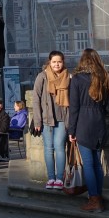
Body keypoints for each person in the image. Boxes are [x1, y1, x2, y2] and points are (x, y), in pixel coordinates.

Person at [67, 48, 109, 213]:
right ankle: (97, 197)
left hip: (83, 123)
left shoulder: (77, 79)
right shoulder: (104, 78)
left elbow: (74, 107)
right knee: (97, 164)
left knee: (88, 164)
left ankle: (94, 199)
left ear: (82, 61)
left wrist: (71, 130)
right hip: (99, 122)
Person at [32, 50, 70, 190]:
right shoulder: (42, 77)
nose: (56, 64)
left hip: (62, 118)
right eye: (54, 62)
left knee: (60, 147)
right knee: (48, 149)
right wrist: (37, 121)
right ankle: (51, 178)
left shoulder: (68, 77)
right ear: (49, 62)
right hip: (46, 119)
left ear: (63, 62)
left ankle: (59, 178)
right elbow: (36, 99)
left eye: (59, 61)